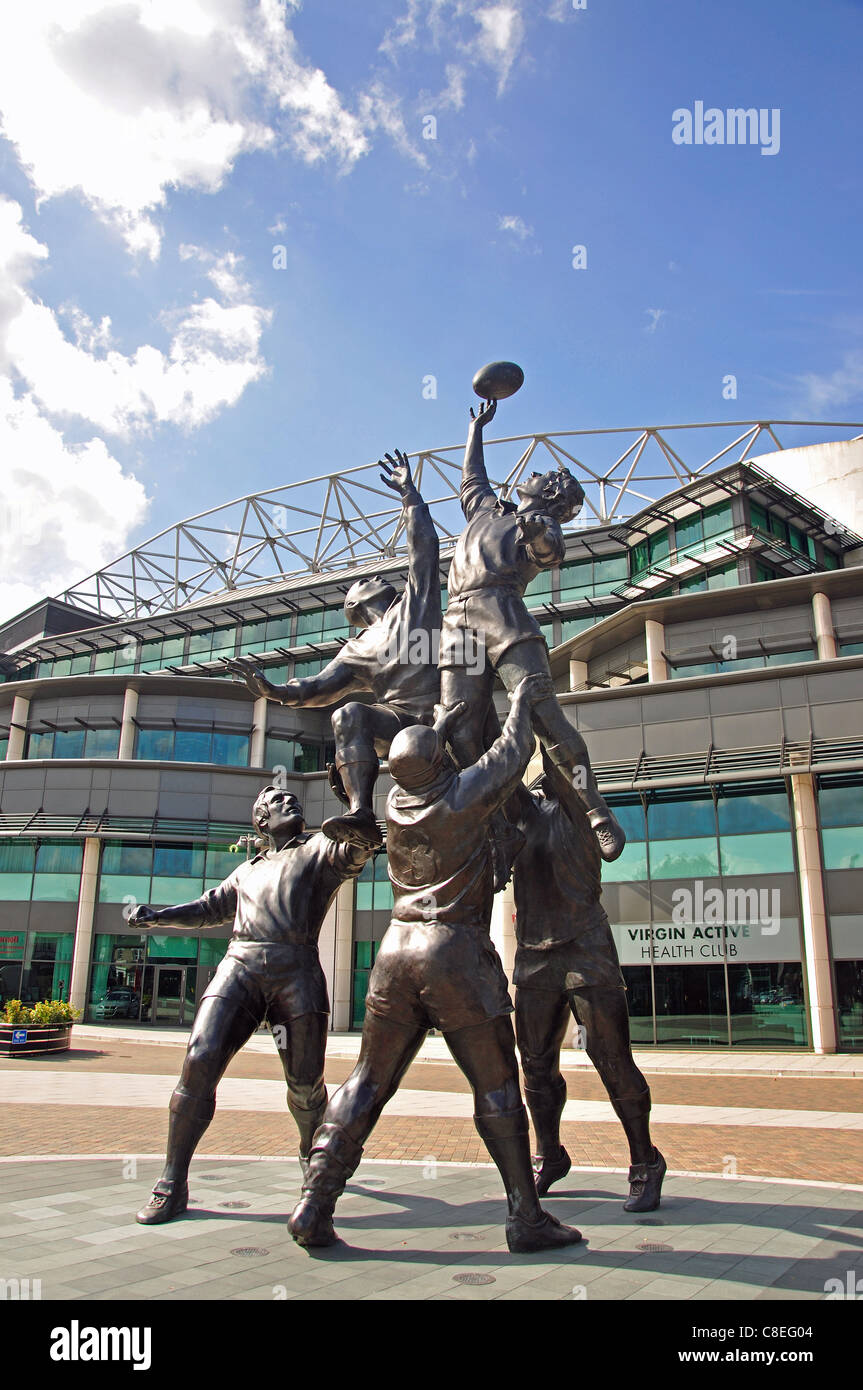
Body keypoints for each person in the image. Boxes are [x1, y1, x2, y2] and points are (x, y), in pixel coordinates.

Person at [288, 675, 584, 1255]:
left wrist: (438, 731)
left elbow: (417, 764)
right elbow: (511, 752)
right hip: (455, 953)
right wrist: (521, 700)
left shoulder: (395, 805)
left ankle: (315, 1202)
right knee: (497, 1086)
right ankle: (525, 1216)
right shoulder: (464, 796)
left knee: (368, 1081)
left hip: (396, 952)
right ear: (442, 766)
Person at [127, 786, 372, 1224]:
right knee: (200, 1058)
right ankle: (172, 1181)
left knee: (305, 1085)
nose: (289, 802)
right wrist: (159, 916)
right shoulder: (245, 871)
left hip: (295, 968)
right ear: (260, 821)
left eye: (292, 798)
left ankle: (309, 1157)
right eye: (277, 800)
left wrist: (359, 808)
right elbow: (207, 908)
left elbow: (354, 851)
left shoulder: (319, 850)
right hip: (239, 966)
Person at [437, 399, 625, 880]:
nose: (533, 473)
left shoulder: (544, 526)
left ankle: (595, 810)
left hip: (504, 615)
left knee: (542, 714)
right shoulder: (485, 510)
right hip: (457, 622)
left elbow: (549, 551)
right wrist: (475, 427)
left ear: (554, 494)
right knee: (458, 730)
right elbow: (471, 478)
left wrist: (538, 528)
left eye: (544, 475)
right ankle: (503, 821)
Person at [226, 452, 441, 849]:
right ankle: (361, 813)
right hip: (399, 721)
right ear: (355, 607)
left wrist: (410, 494)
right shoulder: (355, 649)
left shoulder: (416, 605)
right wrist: (273, 691)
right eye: (365, 580)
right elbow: (316, 687)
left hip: (443, 708)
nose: (375, 574)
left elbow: (424, 547)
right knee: (348, 713)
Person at [510, 751, 666, 1212]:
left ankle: (645, 1161)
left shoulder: (587, 812)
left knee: (610, 1057)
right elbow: (490, 763)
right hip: (534, 952)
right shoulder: (523, 814)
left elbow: (611, 845)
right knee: (535, 1065)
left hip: (586, 946)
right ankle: (550, 1154)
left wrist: (591, 803)